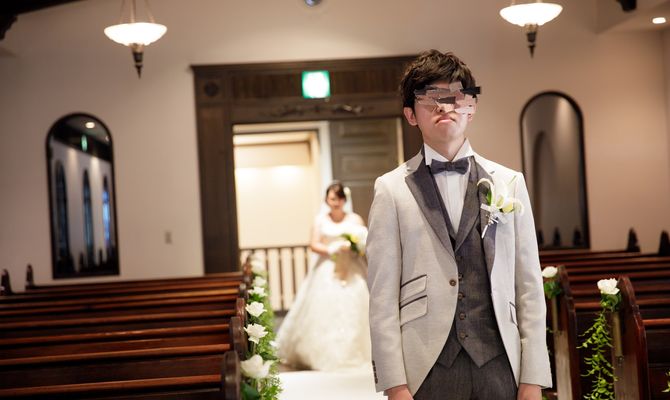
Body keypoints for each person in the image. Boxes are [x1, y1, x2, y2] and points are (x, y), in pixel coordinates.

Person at [366, 50, 551, 400]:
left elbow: (528, 286)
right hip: (426, 367)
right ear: (411, 114)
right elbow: (382, 297)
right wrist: (395, 384)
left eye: (454, 96)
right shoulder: (390, 189)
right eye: (429, 98)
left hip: (501, 362)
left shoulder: (510, 183)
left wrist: (534, 377)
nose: (444, 106)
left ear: (471, 106)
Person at [277, 181, 371, 371]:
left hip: (351, 268)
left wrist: (353, 248)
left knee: (355, 306)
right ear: (327, 200)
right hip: (328, 268)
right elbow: (313, 244)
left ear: (344, 200)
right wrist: (331, 249)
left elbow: (365, 242)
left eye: (339, 199)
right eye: (332, 198)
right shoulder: (320, 220)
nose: (336, 202)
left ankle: (356, 351)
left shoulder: (355, 220)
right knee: (324, 308)